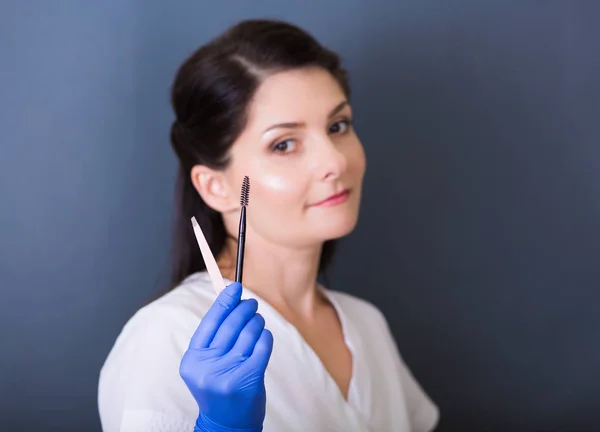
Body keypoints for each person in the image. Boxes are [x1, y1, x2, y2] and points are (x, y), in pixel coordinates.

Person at [98, 18, 439, 432]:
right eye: (283, 144)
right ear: (215, 187)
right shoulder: (166, 338)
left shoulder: (365, 325)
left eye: (338, 126)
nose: (334, 162)